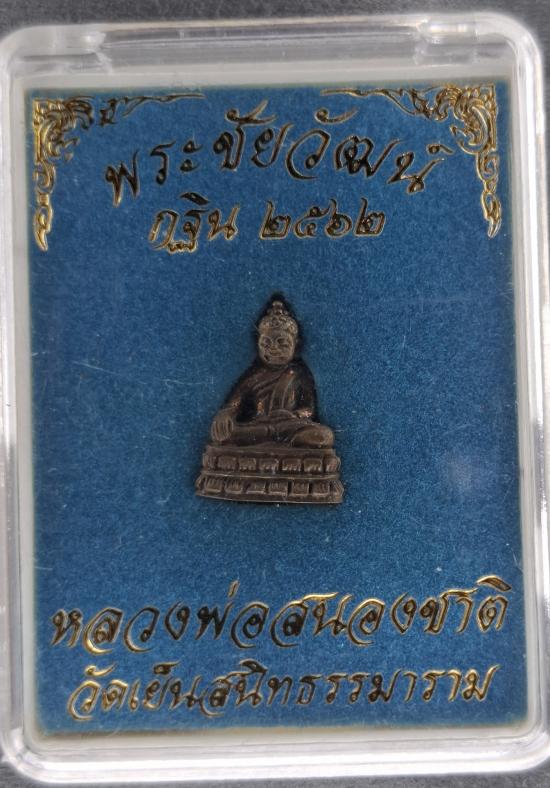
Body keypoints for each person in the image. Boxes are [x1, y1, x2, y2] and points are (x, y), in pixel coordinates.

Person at [210, 299, 334, 449]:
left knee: (324, 435)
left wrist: (294, 415)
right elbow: (234, 403)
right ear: (258, 345)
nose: (273, 349)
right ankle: (279, 444)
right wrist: (225, 414)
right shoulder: (255, 375)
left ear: (296, 345)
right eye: (266, 344)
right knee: (226, 434)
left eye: (282, 343)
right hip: (259, 426)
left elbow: (308, 409)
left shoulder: (299, 374)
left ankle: (276, 444)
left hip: (289, 425)